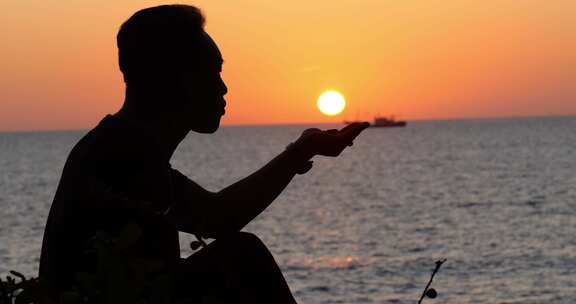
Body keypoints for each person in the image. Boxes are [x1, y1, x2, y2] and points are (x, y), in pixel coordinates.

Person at [39, 4, 369, 303]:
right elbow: (220, 219)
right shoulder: (118, 155)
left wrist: (303, 150)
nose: (222, 87)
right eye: (211, 71)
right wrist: (301, 151)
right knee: (242, 256)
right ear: (168, 78)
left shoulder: (121, 148)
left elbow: (216, 217)